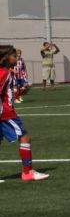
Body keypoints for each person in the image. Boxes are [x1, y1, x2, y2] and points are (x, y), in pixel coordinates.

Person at [0, 45, 49, 181]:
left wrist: (20, 90)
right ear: (5, 58)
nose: (17, 58)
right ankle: (27, 173)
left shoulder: (5, 71)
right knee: (25, 137)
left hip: (4, 112)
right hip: (6, 114)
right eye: (14, 56)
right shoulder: (4, 72)